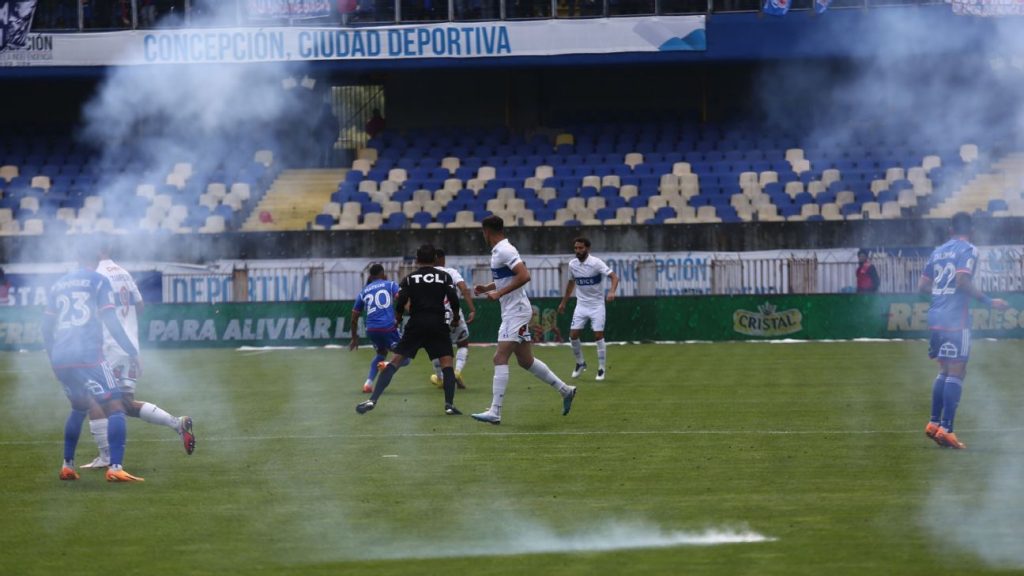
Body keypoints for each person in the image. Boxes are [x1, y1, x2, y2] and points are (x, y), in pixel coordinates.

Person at [81, 247, 195, 469]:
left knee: (92, 398)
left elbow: (96, 312)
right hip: (130, 345)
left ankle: (106, 457)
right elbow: (140, 306)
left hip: (109, 345)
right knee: (124, 404)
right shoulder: (123, 272)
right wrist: (127, 321)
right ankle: (177, 424)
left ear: (96, 251)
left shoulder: (97, 275)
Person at [42, 246, 144, 482]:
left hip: (61, 357)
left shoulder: (58, 285)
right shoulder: (98, 281)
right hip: (88, 356)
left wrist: (52, 358)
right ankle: (116, 467)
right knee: (116, 406)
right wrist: (131, 351)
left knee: (79, 407)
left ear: (77, 258)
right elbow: (110, 319)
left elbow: (45, 327)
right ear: (97, 258)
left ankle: (67, 465)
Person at [471, 215, 576, 425]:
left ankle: (495, 411)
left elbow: (524, 275)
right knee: (525, 361)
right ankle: (565, 390)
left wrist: (498, 294)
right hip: (514, 310)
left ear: (487, 231)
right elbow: (508, 277)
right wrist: (488, 287)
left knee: (499, 358)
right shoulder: (501, 250)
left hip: (515, 311)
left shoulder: (504, 250)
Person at [918, 212, 1008, 449]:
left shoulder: (938, 251)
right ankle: (947, 429)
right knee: (957, 372)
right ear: (972, 230)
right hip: (955, 319)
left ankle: (934, 423)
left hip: (936, 315)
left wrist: (941, 294)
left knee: (945, 370)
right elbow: (962, 281)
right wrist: (989, 301)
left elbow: (923, 285)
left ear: (950, 230)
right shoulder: (968, 249)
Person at [356, 245, 463, 416]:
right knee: (447, 364)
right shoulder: (444, 276)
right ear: (435, 259)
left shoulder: (409, 278)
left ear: (417, 260)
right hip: (437, 322)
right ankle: (449, 405)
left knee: (395, 361)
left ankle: (373, 399)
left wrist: (398, 317)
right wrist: (456, 317)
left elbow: (402, 301)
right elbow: (453, 299)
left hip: (416, 323)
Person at [557, 237, 619, 381]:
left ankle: (601, 368)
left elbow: (614, 277)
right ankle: (580, 363)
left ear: (587, 249)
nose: (578, 251)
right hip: (581, 305)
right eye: (576, 248)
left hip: (597, 305)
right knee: (573, 336)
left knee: (598, 335)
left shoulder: (596, 263)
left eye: (581, 248)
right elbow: (571, 283)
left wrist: (612, 291)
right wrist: (563, 302)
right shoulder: (572, 264)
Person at [350, 263, 408, 393]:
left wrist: (354, 338)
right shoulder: (390, 284)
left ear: (370, 276)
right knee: (406, 357)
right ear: (383, 274)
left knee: (381, 353)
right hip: (388, 328)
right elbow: (402, 298)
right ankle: (386, 365)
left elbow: (354, 317)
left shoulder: (363, 291)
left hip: (371, 329)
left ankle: (368, 383)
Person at [428, 248, 475, 390]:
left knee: (435, 347)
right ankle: (457, 372)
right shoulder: (451, 272)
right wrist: (472, 309)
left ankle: (441, 378)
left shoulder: (426, 275)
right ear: (443, 259)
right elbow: (464, 289)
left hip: (433, 316)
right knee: (463, 344)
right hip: (453, 314)